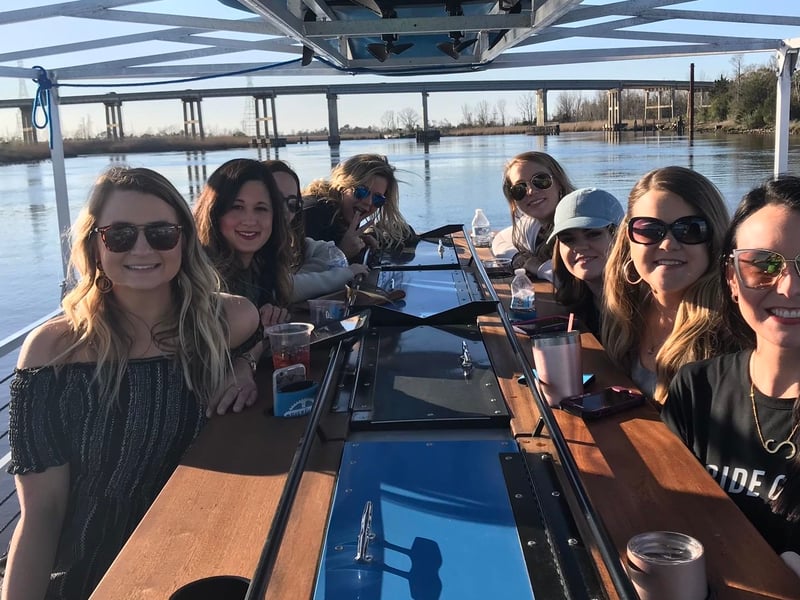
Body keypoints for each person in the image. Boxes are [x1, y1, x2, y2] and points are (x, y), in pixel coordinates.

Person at [2, 167, 260, 599]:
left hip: (202, 554)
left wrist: (244, 364)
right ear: (95, 245)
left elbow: (259, 337)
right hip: (93, 567)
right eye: (120, 235)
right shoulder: (56, 352)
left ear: (183, 241)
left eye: (161, 233)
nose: (142, 248)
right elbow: (42, 514)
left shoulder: (225, 321)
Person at [663, 176, 800, 564]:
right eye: (762, 265)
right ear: (732, 280)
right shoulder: (696, 389)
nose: (789, 288)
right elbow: (664, 518)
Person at [602, 165, 735, 405]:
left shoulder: (731, 333)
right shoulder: (624, 313)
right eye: (649, 230)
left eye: (690, 229)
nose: (667, 244)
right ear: (628, 239)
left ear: (714, 240)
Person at [194, 158, 292, 327]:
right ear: (214, 213)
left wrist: (271, 317)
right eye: (237, 207)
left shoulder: (262, 268)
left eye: (260, 208)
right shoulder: (200, 277)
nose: (249, 221)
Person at [263, 159, 369, 303]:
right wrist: (346, 273)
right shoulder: (317, 212)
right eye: (274, 200)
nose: (285, 211)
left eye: (292, 205)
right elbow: (284, 289)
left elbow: (330, 253)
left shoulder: (283, 240)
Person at [302, 153, 415, 263]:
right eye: (362, 192)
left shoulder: (345, 215)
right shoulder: (313, 214)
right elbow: (296, 272)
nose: (368, 202)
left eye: (378, 199)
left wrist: (359, 242)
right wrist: (342, 253)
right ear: (342, 186)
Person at [547, 187, 624, 336]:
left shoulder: (647, 306)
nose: (580, 246)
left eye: (593, 234)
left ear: (619, 238)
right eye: (568, 239)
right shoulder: (576, 302)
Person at [492, 151, 577, 281]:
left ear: (559, 183)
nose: (530, 191)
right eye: (519, 188)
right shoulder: (533, 224)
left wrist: (538, 267)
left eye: (540, 180)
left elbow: (580, 276)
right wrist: (517, 258)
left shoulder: (579, 221)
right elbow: (501, 239)